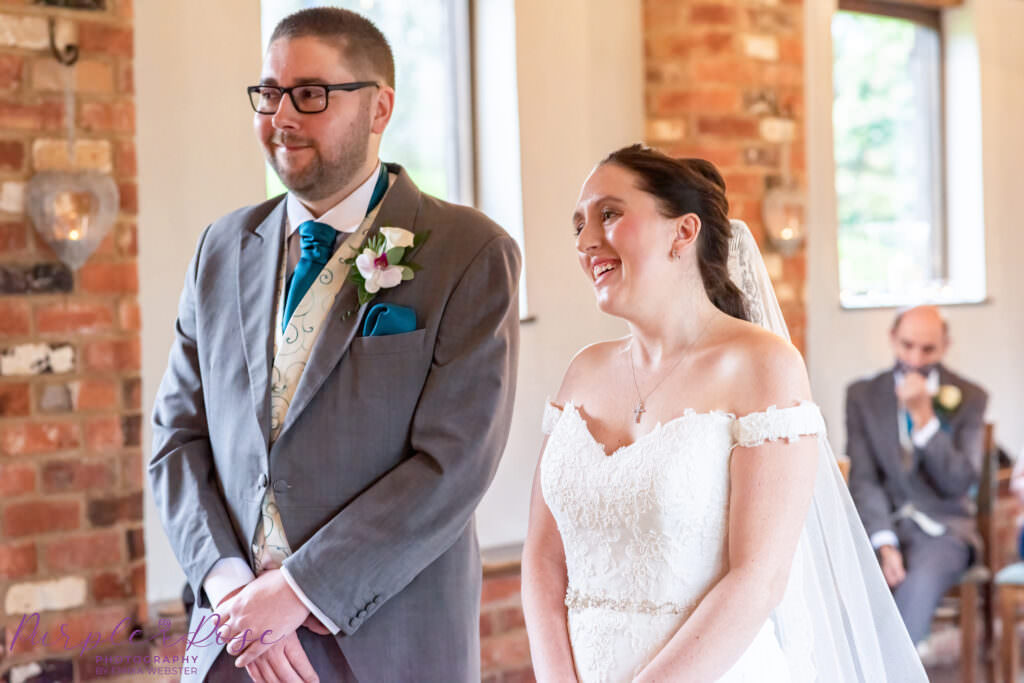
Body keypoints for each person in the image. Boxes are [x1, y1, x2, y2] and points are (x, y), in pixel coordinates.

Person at [149, 8, 520, 682]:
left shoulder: (470, 252)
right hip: (237, 645)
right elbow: (176, 437)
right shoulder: (220, 249)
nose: (281, 117)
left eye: (311, 94)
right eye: (268, 93)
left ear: (380, 108)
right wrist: (233, 588)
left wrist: (296, 590)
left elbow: (454, 463)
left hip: (386, 642)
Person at [521, 144, 926, 682]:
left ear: (683, 232)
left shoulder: (764, 367)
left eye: (609, 214)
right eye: (579, 224)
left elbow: (757, 578)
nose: (586, 241)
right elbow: (543, 561)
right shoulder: (583, 372)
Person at [846, 305, 988, 649]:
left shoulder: (970, 396)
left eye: (928, 349)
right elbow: (864, 478)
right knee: (851, 585)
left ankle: (894, 668)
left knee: (918, 584)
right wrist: (883, 541)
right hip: (884, 525)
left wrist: (924, 419)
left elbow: (960, 481)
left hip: (945, 532)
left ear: (945, 345)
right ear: (892, 339)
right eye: (907, 345)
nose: (915, 358)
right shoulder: (862, 395)